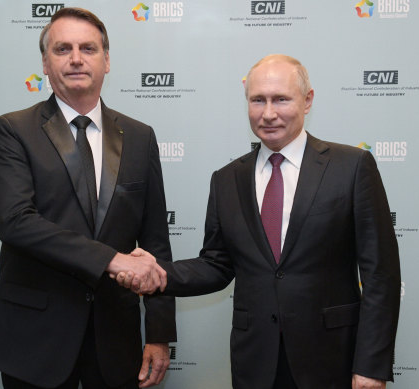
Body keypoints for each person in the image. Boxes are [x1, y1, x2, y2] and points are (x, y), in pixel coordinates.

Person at [119, 54, 401, 389]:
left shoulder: (352, 167)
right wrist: (159, 273)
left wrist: (371, 366)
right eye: (258, 100)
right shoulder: (226, 179)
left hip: (333, 360)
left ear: (308, 100)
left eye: (281, 99)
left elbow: (381, 275)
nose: (268, 113)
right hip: (255, 362)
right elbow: (216, 265)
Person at [0, 7, 175, 389]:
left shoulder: (140, 137)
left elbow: (155, 241)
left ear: (107, 60)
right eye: (62, 49)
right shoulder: (13, 130)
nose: (75, 58)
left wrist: (158, 332)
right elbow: (16, 222)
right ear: (44, 62)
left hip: (116, 341)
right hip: (35, 339)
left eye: (88, 48)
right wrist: (112, 259)